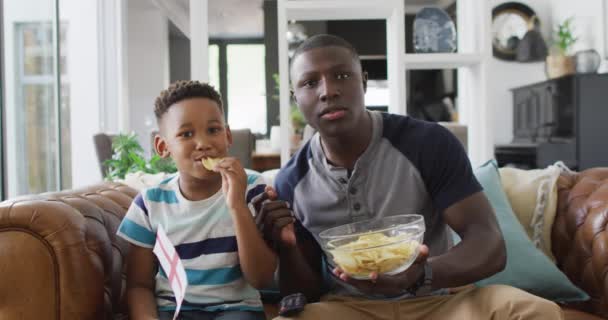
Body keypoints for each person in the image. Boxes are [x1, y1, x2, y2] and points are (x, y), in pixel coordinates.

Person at [254, 34, 564, 319]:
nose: (328, 90)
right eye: (310, 83)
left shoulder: (426, 142)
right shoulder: (291, 181)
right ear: (296, 97)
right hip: (351, 308)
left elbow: (490, 245)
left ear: (363, 81)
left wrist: (420, 275)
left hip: (442, 301)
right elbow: (305, 293)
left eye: (341, 75)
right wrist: (287, 247)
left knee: (538, 312)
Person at [117, 80, 276, 320]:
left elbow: (261, 277)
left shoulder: (252, 187)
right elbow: (139, 285)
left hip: (236, 309)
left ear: (228, 136)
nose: (203, 143)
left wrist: (236, 206)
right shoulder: (150, 203)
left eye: (213, 130)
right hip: (174, 310)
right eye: (186, 134)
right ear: (163, 146)